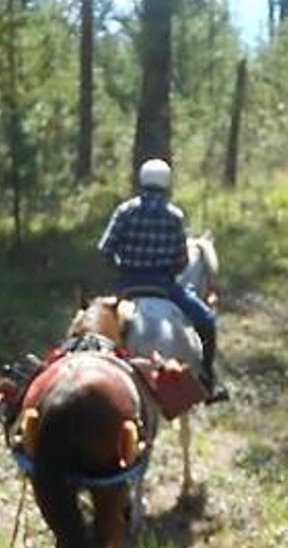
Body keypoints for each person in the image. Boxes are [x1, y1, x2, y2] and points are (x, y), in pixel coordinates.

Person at [97, 157, 227, 400]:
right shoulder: (174, 215)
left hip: (127, 286)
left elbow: (105, 249)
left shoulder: (125, 211)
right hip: (164, 286)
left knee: (92, 324)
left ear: (142, 181)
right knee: (207, 321)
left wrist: (121, 267)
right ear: (166, 183)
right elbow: (182, 260)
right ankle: (208, 382)